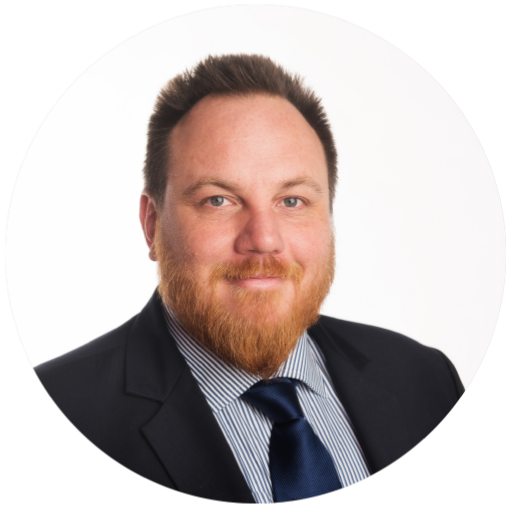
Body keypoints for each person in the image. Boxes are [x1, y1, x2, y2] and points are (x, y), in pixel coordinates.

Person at [34, 54, 464, 503]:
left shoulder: (425, 380)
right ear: (152, 225)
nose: (263, 240)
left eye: (292, 201)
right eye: (218, 200)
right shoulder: (68, 409)